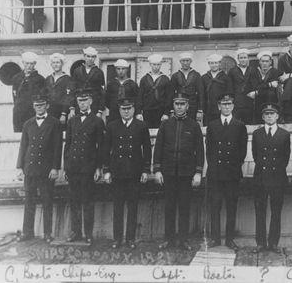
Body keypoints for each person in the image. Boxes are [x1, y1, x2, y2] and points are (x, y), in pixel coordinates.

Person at [153, 92, 204, 250]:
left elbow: (199, 151)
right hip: (168, 173)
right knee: (169, 207)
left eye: (182, 104)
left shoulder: (194, 125)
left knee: (184, 207)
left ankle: (183, 240)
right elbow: (158, 148)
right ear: (173, 106)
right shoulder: (165, 125)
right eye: (177, 104)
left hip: (186, 173)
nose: (179, 107)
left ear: (187, 106)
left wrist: (197, 172)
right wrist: (157, 170)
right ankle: (169, 239)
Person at [104, 97, 152, 249]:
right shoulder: (112, 126)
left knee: (133, 207)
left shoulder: (141, 126)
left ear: (133, 109)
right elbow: (106, 150)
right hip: (117, 173)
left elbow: (147, 150)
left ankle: (130, 238)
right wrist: (107, 170)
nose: (126, 111)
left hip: (134, 172)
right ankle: (117, 239)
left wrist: (145, 170)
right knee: (117, 207)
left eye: (129, 108)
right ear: (119, 110)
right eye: (123, 109)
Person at [16, 95, 62, 243]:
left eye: (42, 105)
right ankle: (27, 232)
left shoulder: (54, 123)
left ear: (47, 106)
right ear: (33, 107)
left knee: (47, 201)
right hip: (30, 168)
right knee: (29, 201)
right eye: (37, 105)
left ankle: (48, 233)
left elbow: (57, 147)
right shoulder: (28, 124)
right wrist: (20, 167)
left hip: (46, 170)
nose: (39, 108)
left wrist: (55, 167)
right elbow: (23, 146)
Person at [206, 93, 247, 251]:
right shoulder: (213, 125)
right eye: (224, 104)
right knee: (215, 206)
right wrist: (215, 167)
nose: (226, 107)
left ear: (233, 106)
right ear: (219, 106)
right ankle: (215, 239)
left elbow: (242, 151)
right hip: (216, 173)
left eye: (229, 104)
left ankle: (230, 239)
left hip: (232, 173)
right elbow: (209, 150)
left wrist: (234, 167)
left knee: (231, 207)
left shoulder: (239, 126)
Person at [64, 89, 105, 244]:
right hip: (73, 168)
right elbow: (67, 145)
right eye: (80, 100)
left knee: (87, 202)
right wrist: (66, 167)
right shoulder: (72, 121)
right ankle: (76, 232)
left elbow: (100, 147)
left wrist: (98, 168)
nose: (82, 103)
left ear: (91, 101)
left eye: (85, 100)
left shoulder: (97, 121)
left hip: (88, 168)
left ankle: (88, 233)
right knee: (74, 201)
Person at [252, 103, 291, 253]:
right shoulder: (257, 134)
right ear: (263, 117)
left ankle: (273, 243)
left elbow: (285, 158)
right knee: (260, 211)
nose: (269, 116)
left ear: (277, 116)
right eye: (266, 114)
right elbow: (256, 156)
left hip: (277, 178)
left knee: (276, 211)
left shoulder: (284, 134)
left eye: (272, 114)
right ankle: (260, 243)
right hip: (261, 178)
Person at [12, 52, 46, 132]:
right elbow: (14, 96)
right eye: (27, 63)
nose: (29, 66)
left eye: (31, 64)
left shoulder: (40, 79)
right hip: (19, 113)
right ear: (23, 63)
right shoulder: (17, 78)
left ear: (35, 64)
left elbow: (42, 98)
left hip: (32, 113)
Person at [244, 50, 281, 124]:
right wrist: (269, 85)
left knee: (270, 94)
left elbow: (273, 89)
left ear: (270, 62)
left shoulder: (275, 72)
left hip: (271, 101)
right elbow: (254, 86)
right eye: (263, 61)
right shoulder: (254, 72)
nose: (264, 63)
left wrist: (257, 92)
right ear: (259, 62)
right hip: (257, 101)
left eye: (267, 61)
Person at [137, 54, 172, 128]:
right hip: (147, 111)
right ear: (150, 65)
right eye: (154, 65)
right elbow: (140, 96)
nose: (156, 67)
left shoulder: (165, 79)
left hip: (161, 111)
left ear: (161, 65)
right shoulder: (144, 79)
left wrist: (166, 113)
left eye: (158, 65)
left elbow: (169, 97)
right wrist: (139, 112)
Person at [71, 47, 105, 117]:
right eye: (88, 56)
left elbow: (102, 92)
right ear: (84, 56)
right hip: (79, 105)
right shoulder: (77, 71)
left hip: (94, 106)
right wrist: (72, 108)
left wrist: (100, 110)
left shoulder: (99, 72)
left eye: (92, 57)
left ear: (95, 58)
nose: (90, 59)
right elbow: (73, 89)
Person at [170, 52, 204, 121]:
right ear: (180, 62)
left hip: (193, 106)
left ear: (191, 61)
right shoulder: (175, 76)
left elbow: (201, 93)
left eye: (187, 61)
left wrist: (200, 110)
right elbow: (171, 93)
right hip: (179, 106)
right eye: (183, 61)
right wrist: (171, 109)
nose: (185, 63)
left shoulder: (196, 75)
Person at [201, 54, 232, 123]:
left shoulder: (225, 78)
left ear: (219, 63)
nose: (214, 65)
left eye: (216, 63)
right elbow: (202, 94)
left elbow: (229, 93)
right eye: (212, 63)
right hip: (208, 109)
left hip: (221, 109)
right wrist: (202, 108)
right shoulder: (204, 78)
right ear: (209, 64)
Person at [44, 53, 74, 125]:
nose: (56, 65)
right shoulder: (48, 79)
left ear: (62, 64)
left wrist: (64, 113)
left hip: (61, 112)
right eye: (53, 63)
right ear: (51, 64)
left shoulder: (67, 79)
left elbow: (68, 97)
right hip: (49, 111)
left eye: (58, 62)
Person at [228, 48, 254, 124]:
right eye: (241, 58)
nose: (243, 60)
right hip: (237, 102)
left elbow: (255, 85)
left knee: (249, 123)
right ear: (238, 59)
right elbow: (230, 87)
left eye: (245, 57)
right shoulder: (232, 71)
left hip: (249, 102)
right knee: (236, 124)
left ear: (248, 59)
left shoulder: (252, 70)